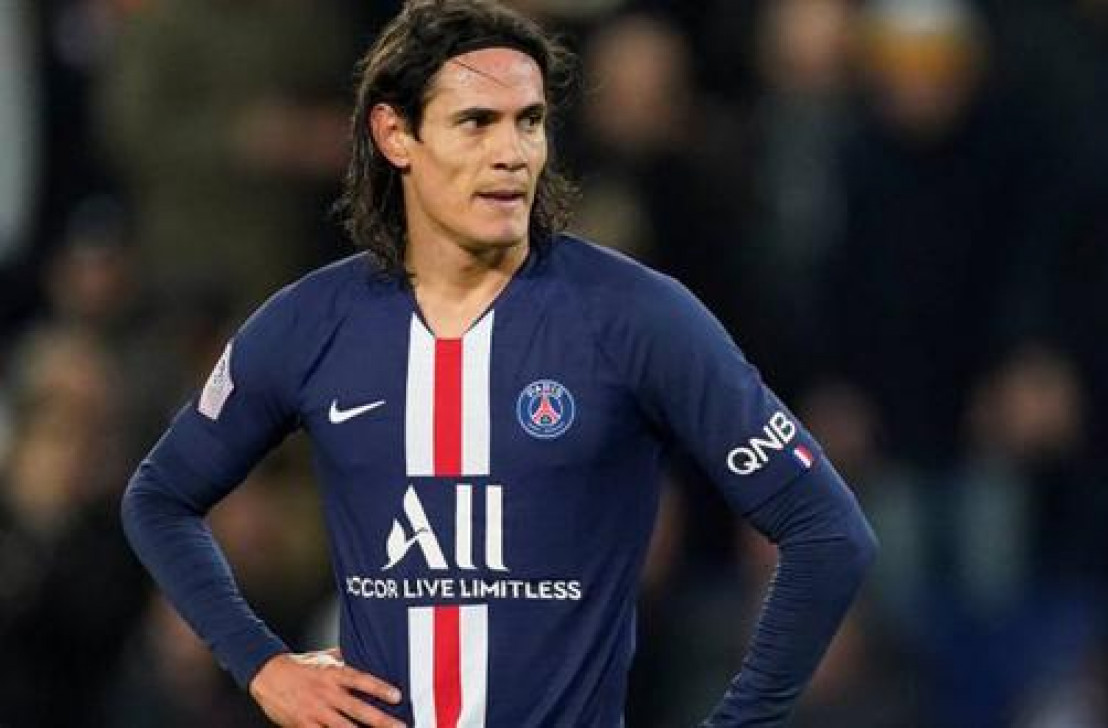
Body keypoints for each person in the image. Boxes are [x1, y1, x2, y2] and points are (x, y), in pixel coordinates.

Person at [121, 1, 878, 726]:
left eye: (530, 121)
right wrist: (262, 666)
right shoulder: (313, 322)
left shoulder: (636, 316)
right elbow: (158, 498)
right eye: (476, 122)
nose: (512, 153)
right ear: (396, 135)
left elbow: (828, 531)